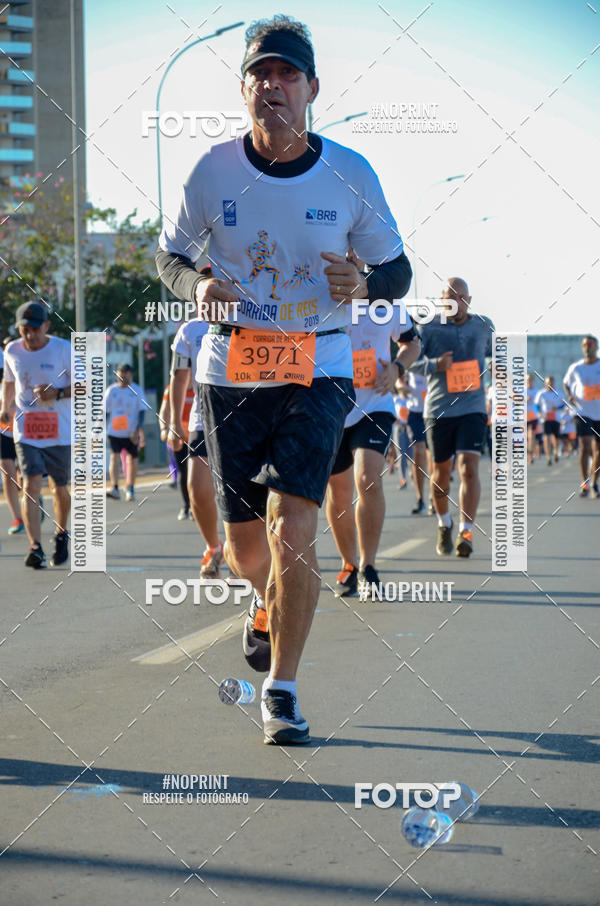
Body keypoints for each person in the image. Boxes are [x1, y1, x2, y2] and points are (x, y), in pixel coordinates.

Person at [156, 15, 412, 744]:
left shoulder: (350, 173)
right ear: (243, 90)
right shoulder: (211, 172)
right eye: (260, 74)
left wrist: (364, 282)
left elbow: (398, 268)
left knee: (293, 524)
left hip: (320, 363)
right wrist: (193, 290)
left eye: (287, 74)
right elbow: (169, 257)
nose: (273, 85)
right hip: (232, 366)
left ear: (312, 89)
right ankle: (262, 604)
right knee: (246, 549)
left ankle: (283, 688)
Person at [326, 296, 419, 598]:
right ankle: (349, 564)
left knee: (367, 479)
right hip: (331, 407)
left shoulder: (386, 302)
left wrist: (396, 368)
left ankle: (368, 566)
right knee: (338, 492)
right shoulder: (319, 294)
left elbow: (413, 343)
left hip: (375, 404)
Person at [413, 278, 493, 558]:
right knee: (440, 476)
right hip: (439, 409)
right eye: (449, 298)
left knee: (469, 467)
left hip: (473, 407)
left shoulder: (483, 325)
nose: (455, 303)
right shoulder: (428, 326)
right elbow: (409, 360)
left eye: (460, 298)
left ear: (469, 300)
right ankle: (444, 523)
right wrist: (436, 364)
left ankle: (466, 531)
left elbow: (499, 354)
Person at [0, 302, 72, 568]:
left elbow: (87, 384)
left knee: (59, 488)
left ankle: (61, 534)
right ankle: (36, 546)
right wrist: (6, 408)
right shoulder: (12, 350)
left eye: (34, 329)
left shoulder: (63, 349)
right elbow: (9, 381)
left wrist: (58, 393)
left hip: (59, 431)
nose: (29, 335)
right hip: (26, 429)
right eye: (23, 329)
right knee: (30, 485)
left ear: (46, 326)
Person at [169, 314, 225, 579]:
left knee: (243, 493)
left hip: (245, 416)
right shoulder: (190, 330)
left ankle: (243, 555)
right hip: (202, 418)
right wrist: (174, 421)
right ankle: (214, 547)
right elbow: (179, 378)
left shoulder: (249, 318)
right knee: (197, 489)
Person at [104, 363, 148, 502]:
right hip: (115, 432)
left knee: (132, 460)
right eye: (120, 372)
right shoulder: (111, 390)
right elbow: (104, 411)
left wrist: (138, 429)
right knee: (114, 458)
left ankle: (130, 488)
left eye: (126, 372)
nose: (123, 375)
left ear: (131, 374)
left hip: (131, 432)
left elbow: (142, 410)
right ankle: (115, 487)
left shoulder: (136, 390)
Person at [563, 335, 600, 497]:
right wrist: (569, 395)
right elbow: (566, 383)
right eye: (584, 345)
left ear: (596, 347)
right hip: (581, 411)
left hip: (598, 412)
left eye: (590, 344)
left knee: (598, 449)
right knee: (584, 445)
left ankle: (594, 482)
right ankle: (584, 482)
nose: (587, 347)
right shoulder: (576, 367)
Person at [158, 381, 195, 519]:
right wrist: (163, 429)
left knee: (198, 473)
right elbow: (164, 411)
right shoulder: (171, 389)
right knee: (184, 473)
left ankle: (197, 505)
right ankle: (188, 505)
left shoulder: (200, 385)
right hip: (179, 439)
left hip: (198, 437)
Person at [0, 342, 25, 534]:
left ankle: (31, 498)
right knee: (7, 472)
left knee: (24, 474)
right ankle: (18, 518)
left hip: (25, 426)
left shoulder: (22, 364)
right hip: (3, 428)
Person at [405, 369, 429, 514]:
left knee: (434, 456)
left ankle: (434, 496)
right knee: (419, 452)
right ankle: (420, 498)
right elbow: (399, 376)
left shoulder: (437, 349)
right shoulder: (409, 348)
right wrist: (401, 387)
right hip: (416, 411)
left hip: (435, 409)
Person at [535, 376, 563, 466]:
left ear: (554, 383)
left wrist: (557, 407)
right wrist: (538, 412)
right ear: (545, 383)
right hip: (545, 418)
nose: (550, 384)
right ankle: (548, 457)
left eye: (551, 382)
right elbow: (536, 405)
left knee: (556, 438)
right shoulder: (541, 393)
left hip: (556, 418)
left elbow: (564, 404)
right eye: (548, 382)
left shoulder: (559, 393)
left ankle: (555, 451)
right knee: (546, 437)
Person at [526, 373, 539, 464]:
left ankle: (530, 453)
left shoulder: (537, 391)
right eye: (527, 380)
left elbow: (539, 404)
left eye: (530, 380)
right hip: (523, 415)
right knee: (525, 436)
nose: (529, 382)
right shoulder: (522, 390)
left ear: (533, 381)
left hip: (534, 416)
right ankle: (528, 451)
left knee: (532, 435)